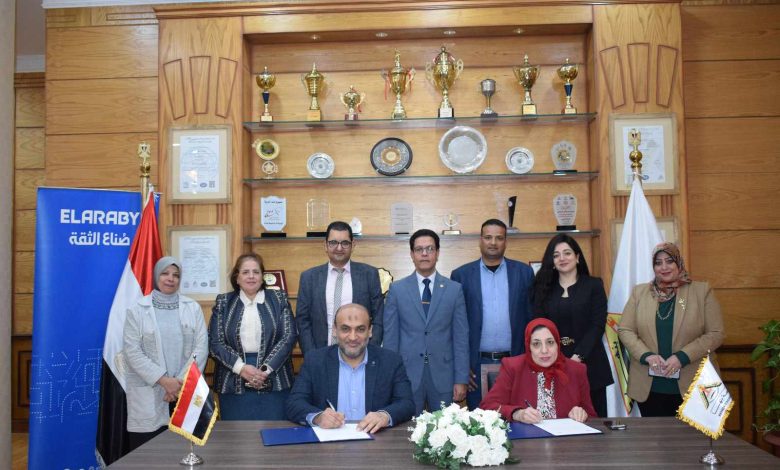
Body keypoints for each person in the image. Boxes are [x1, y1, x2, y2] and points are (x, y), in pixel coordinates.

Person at [618, 242, 725, 417]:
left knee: (693, 435)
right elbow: (625, 330)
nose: (664, 267)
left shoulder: (700, 291)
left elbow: (716, 333)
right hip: (650, 387)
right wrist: (647, 356)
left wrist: (682, 357)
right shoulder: (640, 293)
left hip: (695, 384)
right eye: (658, 263)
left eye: (669, 261)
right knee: (656, 434)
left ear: (679, 262)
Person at [286, 303, 415, 432]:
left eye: (360, 329)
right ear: (335, 330)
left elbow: (406, 403)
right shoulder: (315, 361)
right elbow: (294, 403)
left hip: (376, 439)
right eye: (345, 329)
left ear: (370, 331)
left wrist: (384, 415)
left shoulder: (391, 361)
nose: (353, 337)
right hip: (330, 440)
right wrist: (318, 417)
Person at [123, 257, 208, 451]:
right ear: (156, 276)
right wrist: (164, 381)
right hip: (150, 393)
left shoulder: (192, 308)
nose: (171, 278)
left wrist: (179, 383)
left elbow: (201, 347)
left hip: (184, 390)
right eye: (165, 273)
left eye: (176, 275)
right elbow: (132, 351)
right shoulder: (137, 309)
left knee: (184, 452)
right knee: (149, 454)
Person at [451, 219, 535, 410]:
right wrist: (462, 367)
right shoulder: (461, 275)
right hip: (476, 366)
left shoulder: (524, 273)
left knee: (517, 416)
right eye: (488, 237)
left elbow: (531, 320)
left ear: (506, 241)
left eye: (499, 238)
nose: (493, 242)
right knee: (479, 421)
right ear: (480, 240)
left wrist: (529, 360)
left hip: (516, 362)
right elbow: (455, 326)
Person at [384, 229, 469, 414]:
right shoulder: (397, 290)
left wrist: (461, 379)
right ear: (412, 254)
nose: (424, 254)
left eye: (430, 249)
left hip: (444, 375)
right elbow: (391, 339)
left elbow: (461, 338)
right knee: (406, 427)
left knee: (445, 428)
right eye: (419, 249)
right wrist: (390, 377)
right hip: (407, 375)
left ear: (437, 253)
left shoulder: (454, 290)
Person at [530, 234, 613, 417]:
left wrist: (578, 357)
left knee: (593, 422)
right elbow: (539, 327)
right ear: (552, 261)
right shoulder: (542, 289)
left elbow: (597, 325)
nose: (562, 258)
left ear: (577, 257)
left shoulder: (594, 285)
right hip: (553, 365)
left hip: (591, 365)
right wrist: (558, 359)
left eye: (567, 253)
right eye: (556, 255)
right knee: (558, 422)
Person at [209, 252, 297, 420]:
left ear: (262, 277)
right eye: (245, 272)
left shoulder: (279, 299)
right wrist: (241, 368)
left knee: (275, 431)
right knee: (237, 434)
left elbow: (289, 337)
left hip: (275, 378)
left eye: (256, 272)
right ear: (237, 278)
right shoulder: (224, 302)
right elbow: (215, 343)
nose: (251, 276)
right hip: (233, 381)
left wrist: (264, 371)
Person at [480, 318, 596, 423]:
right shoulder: (513, 367)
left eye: (550, 342)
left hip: (567, 439)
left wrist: (582, 413)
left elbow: (592, 416)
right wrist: (517, 414)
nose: (544, 350)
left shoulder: (576, 370)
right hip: (526, 438)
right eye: (536, 344)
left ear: (557, 344)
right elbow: (487, 407)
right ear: (528, 346)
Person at [296, 221, 384, 355]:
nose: (339, 248)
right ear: (325, 245)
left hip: (359, 353)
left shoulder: (369, 274)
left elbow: (378, 317)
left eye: (345, 243)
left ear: (353, 245)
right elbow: (302, 320)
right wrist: (311, 355)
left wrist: (369, 352)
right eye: (333, 242)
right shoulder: (309, 277)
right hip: (320, 354)